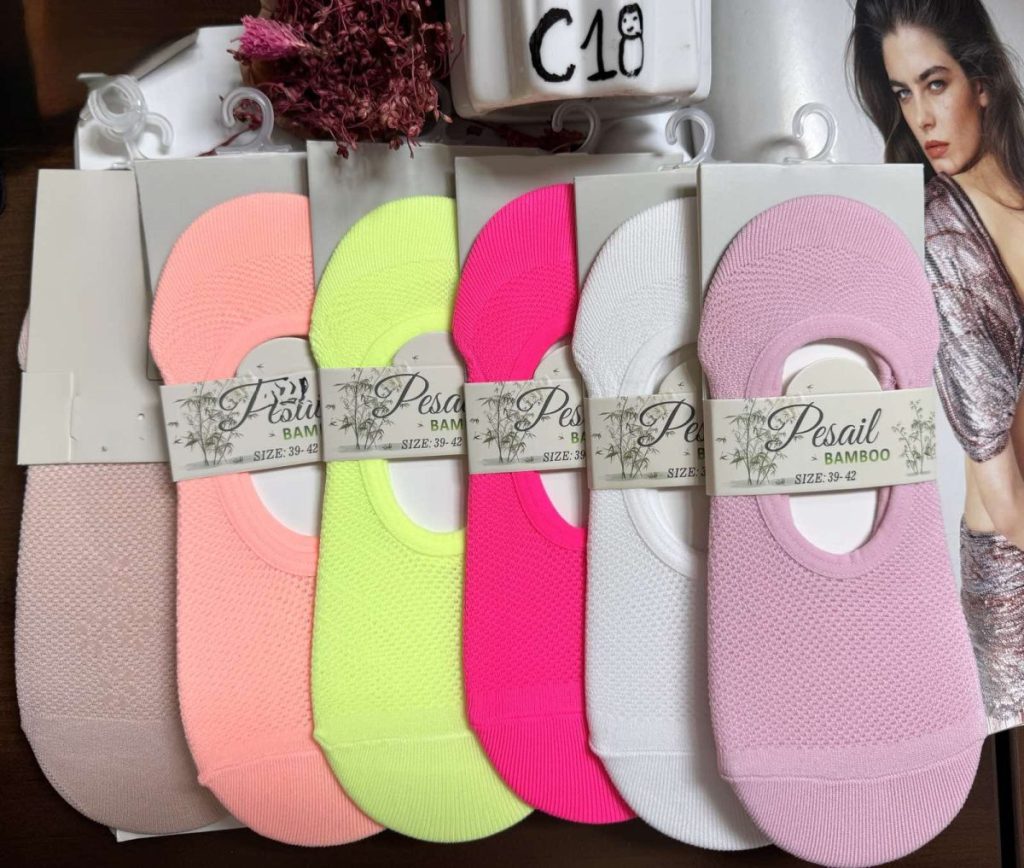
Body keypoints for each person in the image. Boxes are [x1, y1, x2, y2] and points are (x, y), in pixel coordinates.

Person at [851, 0, 1024, 731]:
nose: (921, 118)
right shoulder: (938, 235)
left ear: (980, 83)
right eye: (903, 93)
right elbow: (1001, 480)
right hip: (1014, 565)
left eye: (935, 84)